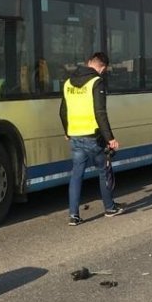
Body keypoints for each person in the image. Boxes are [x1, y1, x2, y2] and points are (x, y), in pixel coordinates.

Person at [59, 52, 123, 226]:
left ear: (89, 63)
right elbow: (100, 113)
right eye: (104, 70)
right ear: (103, 67)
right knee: (104, 169)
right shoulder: (97, 83)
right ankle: (109, 208)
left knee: (76, 174)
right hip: (93, 137)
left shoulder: (68, 83)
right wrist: (110, 138)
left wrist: (67, 130)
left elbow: (63, 111)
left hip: (75, 136)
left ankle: (74, 215)